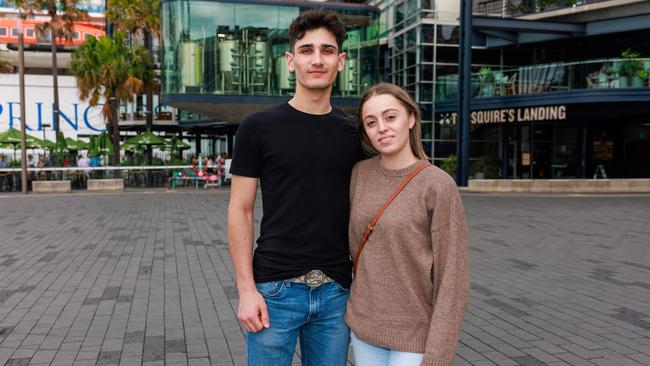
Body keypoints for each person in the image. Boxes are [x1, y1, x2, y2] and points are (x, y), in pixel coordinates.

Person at [227, 8, 363, 366]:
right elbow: (240, 210)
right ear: (290, 60)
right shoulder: (258, 127)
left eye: (327, 50)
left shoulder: (356, 134)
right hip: (273, 291)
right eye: (306, 50)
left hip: (336, 292)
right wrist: (245, 290)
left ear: (341, 60)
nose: (316, 60)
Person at [345, 83, 470, 366]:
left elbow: (453, 278)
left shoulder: (437, 185)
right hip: (364, 329)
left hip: (414, 335)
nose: (382, 128)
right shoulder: (359, 174)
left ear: (411, 118)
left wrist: (438, 354)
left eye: (391, 117)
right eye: (371, 122)